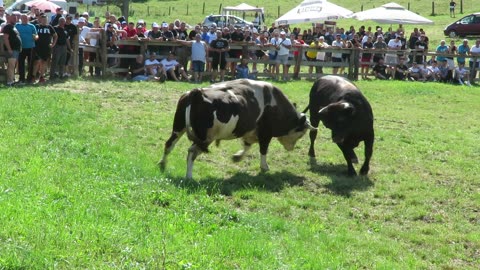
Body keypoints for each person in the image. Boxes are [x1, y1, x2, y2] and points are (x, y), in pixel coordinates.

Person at [33, 14, 57, 83]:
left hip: (46, 48)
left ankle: (41, 77)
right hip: (37, 47)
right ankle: (33, 76)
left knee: (44, 62)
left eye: (45, 19)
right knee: (36, 62)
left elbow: (55, 36)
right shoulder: (37, 26)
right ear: (40, 20)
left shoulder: (49, 27)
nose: (44, 21)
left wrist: (53, 44)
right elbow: (33, 34)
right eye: (43, 19)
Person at [16, 14, 38, 84]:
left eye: (26, 18)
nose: (25, 19)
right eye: (23, 18)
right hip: (21, 48)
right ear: (21, 19)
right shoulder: (17, 26)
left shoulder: (31, 26)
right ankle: (21, 78)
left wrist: (36, 37)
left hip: (31, 47)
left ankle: (30, 78)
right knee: (21, 63)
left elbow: (36, 35)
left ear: (28, 19)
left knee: (30, 63)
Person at [2, 12, 22, 87]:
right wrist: (9, 49)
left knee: (13, 66)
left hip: (16, 49)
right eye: (13, 17)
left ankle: (12, 80)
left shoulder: (14, 26)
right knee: (11, 66)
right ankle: (9, 82)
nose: (14, 18)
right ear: (9, 18)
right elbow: (5, 38)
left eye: (15, 17)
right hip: (12, 49)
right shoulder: (7, 27)